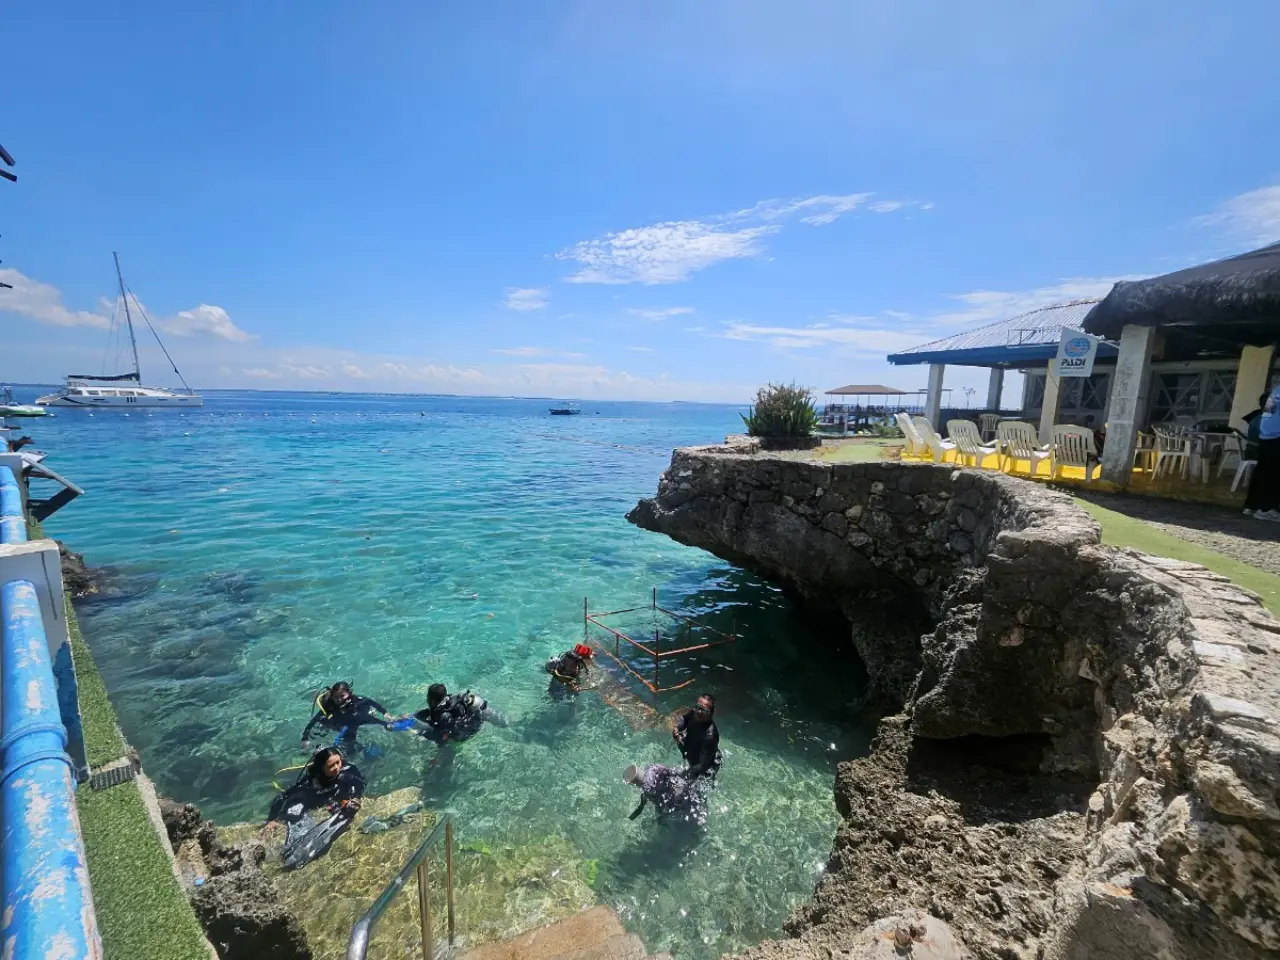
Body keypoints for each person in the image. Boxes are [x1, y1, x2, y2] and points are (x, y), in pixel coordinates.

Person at [264, 747, 365, 868]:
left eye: (338, 762)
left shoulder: (349, 770)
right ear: (321, 768)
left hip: (335, 797)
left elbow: (358, 784)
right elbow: (282, 797)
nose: (337, 767)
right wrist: (271, 819)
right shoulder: (310, 782)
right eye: (331, 766)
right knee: (294, 814)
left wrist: (355, 798)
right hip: (313, 801)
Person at [300, 681, 396, 751]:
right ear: (332, 697)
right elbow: (312, 722)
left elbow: (372, 703)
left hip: (356, 718)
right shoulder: (331, 708)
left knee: (387, 725)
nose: (339, 700)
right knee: (350, 745)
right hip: (344, 725)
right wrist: (305, 739)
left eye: (342, 696)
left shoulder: (359, 699)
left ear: (349, 693)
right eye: (336, 697)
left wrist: (385, 713)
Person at [409, 683, 507, 744]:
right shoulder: (451, 702)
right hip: (475, 715)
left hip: (466, 730)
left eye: (428, 697)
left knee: (426, 733)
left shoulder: (444, 717)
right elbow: (425, 714)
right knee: (506, 724)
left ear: (433, 700)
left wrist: (420, 734)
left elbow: (444, 739)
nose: (426, 699)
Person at [1244, 385, 1280, 521]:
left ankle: (1252, 506)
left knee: (1262, 473)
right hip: (1273, 441)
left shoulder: (1276, 391)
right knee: (1273, 475)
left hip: (1264, 441)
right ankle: (1267, 508)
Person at [672, 694, 722, 781]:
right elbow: (685, 719)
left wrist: (683, 777)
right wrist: (677, 728)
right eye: (698, 707)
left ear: (711, 713)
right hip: (694, 752)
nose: (699, 712)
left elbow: (702, 766)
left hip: (706, 766)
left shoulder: (710, 736)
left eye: (704, 710)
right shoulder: (694, 713)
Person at [623, 763, 690, 820]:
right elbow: (670, 772)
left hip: (675, 803)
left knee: (660, 816)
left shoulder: (647, 790)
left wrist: (631, 817)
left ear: (636, 784)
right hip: (681, 786)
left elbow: (658, 803)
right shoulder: (654, 767)